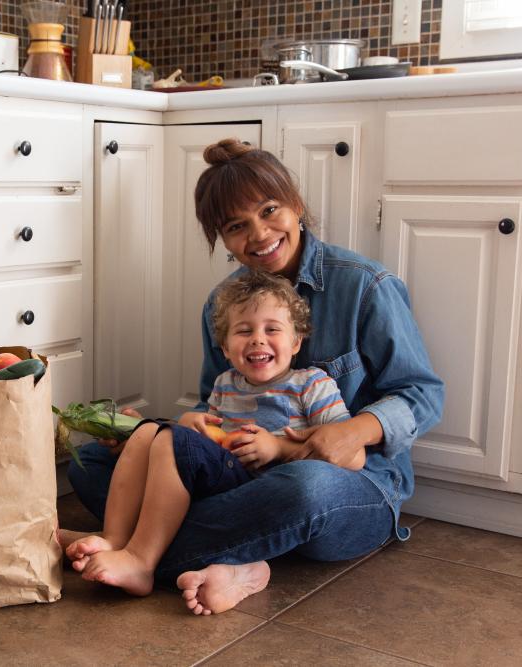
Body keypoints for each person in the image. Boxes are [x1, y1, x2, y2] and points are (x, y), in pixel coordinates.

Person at [66, 138, 444, 615]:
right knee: (93, 461)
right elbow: (214, 403)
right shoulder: (221, 304)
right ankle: (238, 565)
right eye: (236, 226)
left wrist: (352, 432)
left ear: (296, 205)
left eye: (269, 211)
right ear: (222, 239)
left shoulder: (365, 286)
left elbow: (422, 394)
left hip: (355, 485)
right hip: (243, 478)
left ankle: (125, 548)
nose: (260, 234)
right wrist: (184, 430)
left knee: (306, 487)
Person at [63, 271, 357, 599]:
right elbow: (208, 441)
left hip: (268, 494)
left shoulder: (312, 384)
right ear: (226, 348)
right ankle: (114, 538)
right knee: (148, 431)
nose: (258, 339)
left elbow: (351, 456)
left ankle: (141, 559)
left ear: (296, 341)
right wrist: (190, 421)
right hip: (221, 488)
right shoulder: (225, 384)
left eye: (272, 329)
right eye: (244, 331)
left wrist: (277, 447)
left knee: (173, 441)